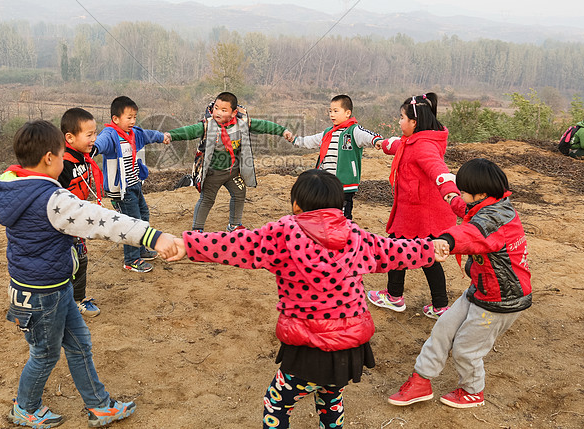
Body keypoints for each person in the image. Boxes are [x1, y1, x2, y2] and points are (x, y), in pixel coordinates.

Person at [172, 169, 449, 429]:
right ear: (339, 205)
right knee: (330, 399)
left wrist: (190, 245)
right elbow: (393, 250)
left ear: (296, 205)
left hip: (308, 347)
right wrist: (428, 249)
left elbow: (238, 245)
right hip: (348, 347)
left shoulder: (283, 233)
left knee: (277, 403)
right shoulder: (356, 236)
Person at [0, 119, 180, 428]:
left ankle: (99, 406)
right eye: (63, 153)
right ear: (50, 158)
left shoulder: (15, 184)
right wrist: (153, 237)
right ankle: (25, 408)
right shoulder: (52, 200)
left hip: (56, 284)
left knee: (79, 344)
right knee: (44, 354)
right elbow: (100, 219)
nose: (65, 158)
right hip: (40, 294)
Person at [387, 158, 531, 409]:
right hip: (481, 288)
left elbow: (470, 233)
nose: (461, 195)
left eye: (464, 190)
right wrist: (445, 185)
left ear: (481, 193)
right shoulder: (486, 205)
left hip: (500, 300)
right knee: (443, 328)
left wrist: (444, 241)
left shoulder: (495, 220)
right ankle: (421, 381)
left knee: (466, 347)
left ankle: (473, 391)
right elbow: (460, 205)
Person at [367, 93, 466, 319]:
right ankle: (438, 306)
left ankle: (395, 297)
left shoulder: (424, 147)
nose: (399, 121)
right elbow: (398, 146)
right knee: (425, 256)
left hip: (421, 213)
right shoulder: (414, 141)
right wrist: (380, 143)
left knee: (404, 250)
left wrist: (452, 195)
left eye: (402, 118)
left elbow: (438, 171)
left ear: (414, 123)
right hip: (415, 210)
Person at [166, 91, 294, 231]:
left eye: (223, 110)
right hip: (213, 173)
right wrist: (171, 135)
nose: (218, 112)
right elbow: (188, 131)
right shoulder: (207, 126)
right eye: (216, 108)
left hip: (233, 172)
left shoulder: (243, 123)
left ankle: (234, 225)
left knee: (239, 194)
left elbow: (263, 125)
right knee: (207, 200)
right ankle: (197, 229)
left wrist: (283, 131)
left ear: (233, 113)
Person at [94, 95, 170, 273]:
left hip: (135, 183)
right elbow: (101, 143)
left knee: (143, 214)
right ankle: (131, 259)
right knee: (131, 222)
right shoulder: (111, 134)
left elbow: (149, 134)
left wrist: (162, 136)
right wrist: (93, 148)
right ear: (115, 119)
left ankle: (141, 248)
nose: (132, 120)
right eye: (129, 117)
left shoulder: (134, 133)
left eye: (134, 117)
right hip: (121, 189)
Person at [292, 94, 384, 220]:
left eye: (336, 111)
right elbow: (311, 141)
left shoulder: (353, 131)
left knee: (343, 216)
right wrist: (295, 140)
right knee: (324, 212)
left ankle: (344, 236)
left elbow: (367, 135)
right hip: (325, 184)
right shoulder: (328, 133)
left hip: (344, 184)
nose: (332, 114)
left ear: (347, 113)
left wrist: (376, 140)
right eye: (330, 111)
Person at [58, 107, 103, 317]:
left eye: (95, 133)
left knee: (80, 260)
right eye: (89, 135)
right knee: (75, 262)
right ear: (70, 137)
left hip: (79, 220)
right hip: (65, 224)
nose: (94, 138)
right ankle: (76, 300)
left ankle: (76, 298)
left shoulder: (84, 154)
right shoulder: (62, 164)